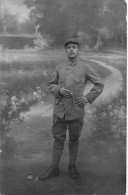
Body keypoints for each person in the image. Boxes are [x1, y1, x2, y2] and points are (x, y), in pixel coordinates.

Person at [39, 37, 104, 180]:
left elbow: (99, 84)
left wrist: (87, 98)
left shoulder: (86, 67)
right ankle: (54, 168)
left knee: (74, 139)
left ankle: (72, 165)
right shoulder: (59, 67)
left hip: (76, 110)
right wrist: (58, 89)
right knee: (58, 139)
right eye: (68, 48)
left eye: (74, 47)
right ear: (65, 51)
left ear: (78, 50)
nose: (71, 50)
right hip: (60, 110)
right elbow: (50, 84)